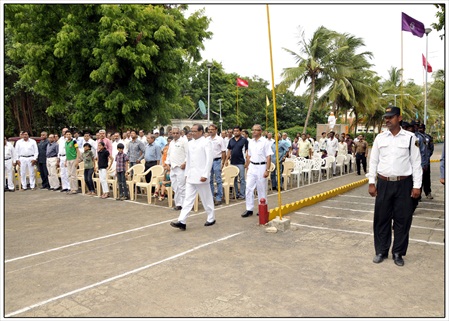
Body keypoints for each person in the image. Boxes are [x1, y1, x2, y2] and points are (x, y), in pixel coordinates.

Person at [367, 106, 422, 267]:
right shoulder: (380, 138)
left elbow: (416, 163)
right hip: (383, 183)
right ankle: (381, 251)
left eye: (391, 117)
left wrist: (417, 186)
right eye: (386, 117)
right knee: (381, 219)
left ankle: (398, 252)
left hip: (404, 184)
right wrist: (372, 182)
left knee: (402, 220)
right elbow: (373, 161)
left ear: (399, 118)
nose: (387, 120)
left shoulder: (411, 138)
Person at [170, 124, 215, 231]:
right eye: (192, 131)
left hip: (201, 176)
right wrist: (186, 173)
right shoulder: (190, 143)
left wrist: (205, 174)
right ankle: (182, 221)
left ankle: (211, 217)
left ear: (201, 132)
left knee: (206, 198)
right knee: (187, 199)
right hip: (191, 175)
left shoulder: (206, 142)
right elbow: (188, 160)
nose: (192, 133)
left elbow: (209, 159)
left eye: (195, 131)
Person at [242, 124, 273, 217]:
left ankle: (262, 208)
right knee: (248, 188)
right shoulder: (250, 142)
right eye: (253, 130)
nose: (254, 132)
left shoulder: (265, 142)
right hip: (252, 166)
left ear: (261, 131)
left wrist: (267, 170)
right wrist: (247, 166)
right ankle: (249, 209)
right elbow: (249, 155)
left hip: (261, 166)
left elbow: (268, 156)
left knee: (261, 188)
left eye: (256, 130)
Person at [165, 127, 188, 211]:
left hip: (181, 167)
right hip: (173, 167)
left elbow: (188, 154)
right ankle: (178, 204)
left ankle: (185, 205)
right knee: (175, 187)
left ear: (180, 133)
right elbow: (168, 154)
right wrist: (167, 163)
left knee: (182, 187)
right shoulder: (171, 143)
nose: (175, 135)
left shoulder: (184, 141)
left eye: (177, 133)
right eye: (173, 133)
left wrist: (185, 163)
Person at [224, 126, 249, 200]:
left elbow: (247, 151)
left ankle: (242, 194)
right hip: (233, 162)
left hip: (241, 162)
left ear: (240, 132)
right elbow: (229, 151)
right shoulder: (231, 140)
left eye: (237, 131)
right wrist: (226, 160)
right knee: (233, 179)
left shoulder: (244, 140)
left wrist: (247, 161)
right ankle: (236, 194)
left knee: (242, 179)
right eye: (234, 131)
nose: (235, 132)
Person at [208, 123, 227, 206]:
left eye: (212, 129)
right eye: (209, 130)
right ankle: (211, 197)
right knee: (210, 180)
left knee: (218, 179)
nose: (210, 131)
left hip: (217, 160)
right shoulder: (207, 139)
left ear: (216, 130)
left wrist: (223, 162)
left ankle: (219, 197)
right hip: (209, 161)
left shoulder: (220, 139)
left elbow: (223, 151)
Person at [418, 123, 434, 199]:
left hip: (426, 162)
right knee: (419, 178)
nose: (420, 129)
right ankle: (419, 194)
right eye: (419, 128)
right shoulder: (416, 137)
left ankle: (428, 193)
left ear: (424, 129)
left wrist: (427, 157)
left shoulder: (428, 138)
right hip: (418, 162)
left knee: (427, 178)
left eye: (422, 128)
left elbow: (431, 149)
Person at [57, 127, 70, 192]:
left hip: (67, 157)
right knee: (62, 173)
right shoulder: (61, 139)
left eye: (66, 132)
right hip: (61, 157)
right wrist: (58, 158)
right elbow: (59, 149)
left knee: (67, 172)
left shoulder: (70, 140)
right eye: (63, 132)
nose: (64, 133)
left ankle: (69, 186)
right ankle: (64, 186)